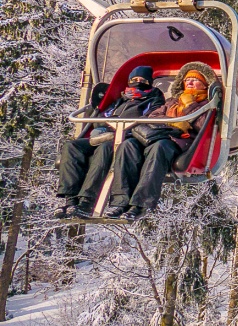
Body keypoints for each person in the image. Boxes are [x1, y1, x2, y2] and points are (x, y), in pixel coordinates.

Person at [105, 62, 218, 221]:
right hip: (158, 135)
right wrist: (174, 122)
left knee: (159, 148)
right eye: (187, 80)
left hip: (180, 142)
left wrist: (189, 106)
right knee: (128, 145)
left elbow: (202, 125)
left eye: (195, 80)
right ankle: (120, 202)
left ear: (205, 84)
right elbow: (153, 117)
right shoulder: (172, 101)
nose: (190, 82)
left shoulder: (206, 104)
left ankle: (140, 204)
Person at [54, 65, 165, 218]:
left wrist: (124, 127)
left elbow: (151, 121)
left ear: (149, 83)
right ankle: (71, 199)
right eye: (134, 80)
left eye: (142, 80)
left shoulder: (153, 101)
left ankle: (87, 201)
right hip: (106, 134)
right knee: (71, 146)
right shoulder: (120, 101)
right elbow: (102, 118)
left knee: (105, 148)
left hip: (127, 137)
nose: (138, 83)